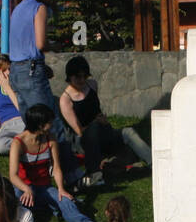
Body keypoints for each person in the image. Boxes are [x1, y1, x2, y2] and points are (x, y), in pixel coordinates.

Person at [9, 103, 103, 222]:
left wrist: (60, 188)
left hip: (43, 187)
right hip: (23, 187)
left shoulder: (50, 139)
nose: (51, 125)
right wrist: (26, 189)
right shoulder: (18, 143)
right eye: (49, 123)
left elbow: (57, 167)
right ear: (40, 125)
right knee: (14, 205)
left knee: (64, 199)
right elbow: (13, 175)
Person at [59, 55, 152, 190]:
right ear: (70, 77)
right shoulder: (65, 100)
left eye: (84, 76)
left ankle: (153, 162)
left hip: (103, 131)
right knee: (94, 129)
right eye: (77, 77)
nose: (81, 80)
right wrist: (96, 122)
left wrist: (102, 120)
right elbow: (79, 131)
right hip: (83, 140)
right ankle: (95, 173)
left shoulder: (92, 85)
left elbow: (95, 110)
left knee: (127, 132)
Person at [6, 0, 69, 145]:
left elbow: (21, 44)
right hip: (31, 70)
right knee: (49, 121)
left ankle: (37, 162)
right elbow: (40, 44)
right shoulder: (39, 8)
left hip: (16, 70)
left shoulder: (18, 8)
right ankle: (67, 166)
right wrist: (55, 46)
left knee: (32, 125)